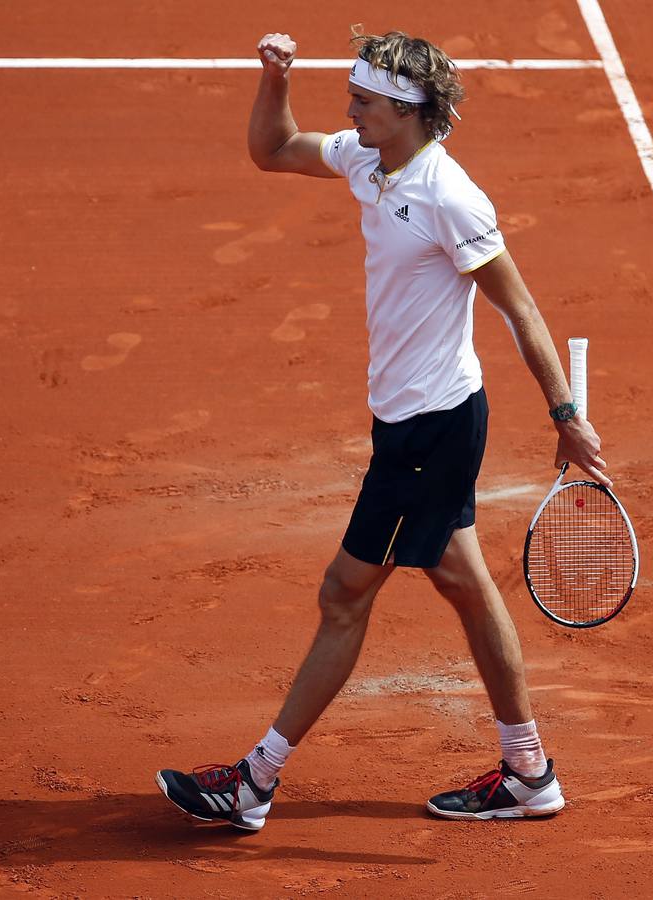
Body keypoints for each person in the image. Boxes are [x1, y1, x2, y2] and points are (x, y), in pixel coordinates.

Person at [155, 29, 610, 830]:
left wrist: (565, 415)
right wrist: (274, 79)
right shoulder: (370, 159)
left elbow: (520, 308)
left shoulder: (449, 197)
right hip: (404, 420)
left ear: (404, 110)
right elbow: (274, 150)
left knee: (344, 594)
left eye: (362, 102)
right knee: (465, 585)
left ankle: (255, 782)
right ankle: (529, 771)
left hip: (434, 430)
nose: (349, 112)